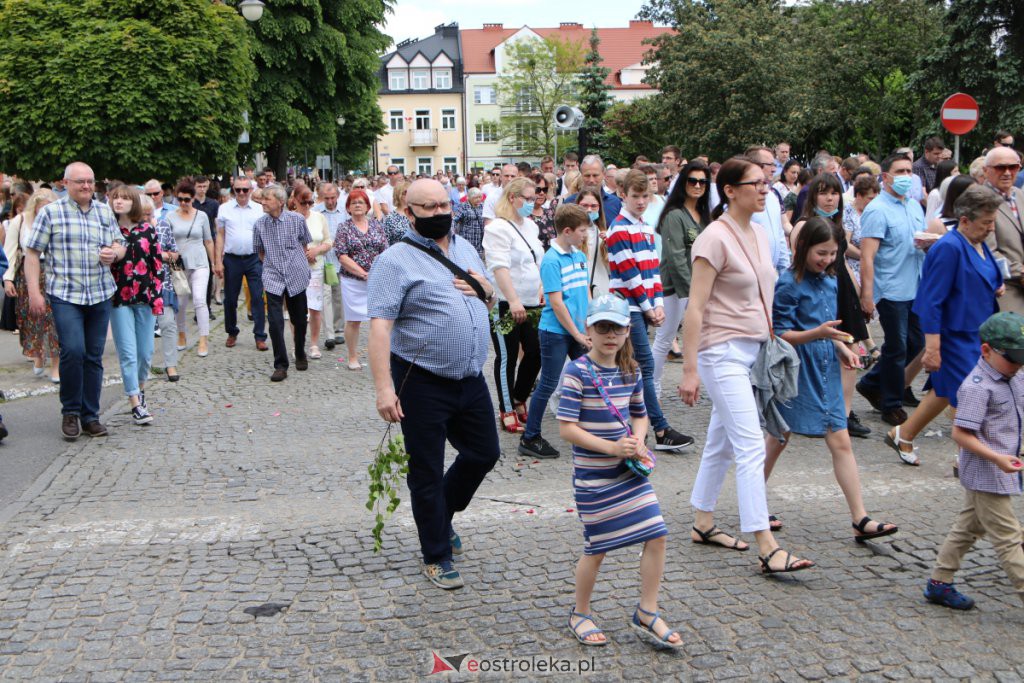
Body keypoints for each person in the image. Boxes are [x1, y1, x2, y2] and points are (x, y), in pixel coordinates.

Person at [678, 157, 814, 574]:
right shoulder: (712, 239)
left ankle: (702, 521)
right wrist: (689, 369)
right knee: (752, 444)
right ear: (731, 190)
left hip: (752, 351)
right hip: (720, 353)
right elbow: (695, 308)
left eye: (766, 182)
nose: (764, 189)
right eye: (756, 183)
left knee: (722, 442)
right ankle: (766, 544)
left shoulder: (758, 232)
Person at [367, 178, 500, 590]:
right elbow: (380, 328)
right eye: (428, 207)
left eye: (444, 203)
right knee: (425, 469)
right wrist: (384, 388)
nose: (439, 212)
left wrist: (489, 291)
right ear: (409, 212)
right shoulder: (394, 261)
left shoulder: (464, 248)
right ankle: (436, 554)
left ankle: (441, 516)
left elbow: (487, 297)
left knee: (484, 453)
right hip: (421, 379)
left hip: (469, 376)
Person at [763, 217, 898, 540]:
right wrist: (820, 335)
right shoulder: (788, 283)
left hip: (825, 367)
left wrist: (841, 348)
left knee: (840, 440)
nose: (826, 260)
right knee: (779, 438)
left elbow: (828, 330)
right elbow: (779, 332)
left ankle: (860, 517)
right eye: (820, 253)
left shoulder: (830, 280)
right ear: (803, 248)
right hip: (797, 370)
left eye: (832, 253)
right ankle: (753, 504)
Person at [558, 293, 681, 649]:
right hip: (593, 477)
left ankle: (647, 609)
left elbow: (640, 414)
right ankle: (580, 612)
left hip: (629, 472)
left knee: (656, 533)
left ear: (628, 331)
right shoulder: (576, 371)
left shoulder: (631, 370)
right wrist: (612, 447)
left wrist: (638, 440)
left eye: (617, 328)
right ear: (589, 331)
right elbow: (567, 429)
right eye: (603, 327)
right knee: (597, 547)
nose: (610, 335)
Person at [886, 185, 1005, 466]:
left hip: (977, 333)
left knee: (942, 392)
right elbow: (931, 300)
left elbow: (983, 275)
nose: (991, 228)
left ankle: (903, 434)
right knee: (973, 397)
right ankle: (971, 456)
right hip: (955, 338)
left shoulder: (978, 242)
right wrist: (932, 348)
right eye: (986, 222)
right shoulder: (949, 248)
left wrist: (993, 287)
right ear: (965, 220)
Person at [923, 311, 1024, 611]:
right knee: (1008, 539)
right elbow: (961, 434)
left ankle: (939, 582)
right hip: (987, 472)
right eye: (1014, 358)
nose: (1019, 365)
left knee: (969, 526)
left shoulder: (1013, 374)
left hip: (1004, 468)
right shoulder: (977, 387)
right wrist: (997, 458)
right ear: (986, 350)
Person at [25, 162, 125, 440]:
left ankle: (90, 416)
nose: (86, 186)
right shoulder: (51, 213)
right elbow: (32, 253)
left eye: (90, 181)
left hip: (100, 292)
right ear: (66, 183)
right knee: (73, 350)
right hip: (66, 295)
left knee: (94, 355)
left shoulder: (105, 211)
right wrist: (34, 292)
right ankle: (70, 412)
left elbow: (120, 244)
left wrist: (115, 254)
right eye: (80, 181)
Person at [608, 170, 693, 451]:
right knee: (642, 365)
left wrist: (657, 303)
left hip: (643, 304)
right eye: (636, 196)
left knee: (633, 367)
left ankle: (642, 425)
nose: (641, 202)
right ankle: (658, 427)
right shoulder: (618, 229)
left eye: (645, 196)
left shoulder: (645, 227)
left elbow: (652, 270)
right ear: (624, 195)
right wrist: (648, 307)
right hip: (627, 306)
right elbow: (630, 274)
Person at [791, 174, 872, 438]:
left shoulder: (836, 224)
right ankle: (820, 412)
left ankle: (844, 414)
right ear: (813, 196)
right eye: (824, 193)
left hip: (842, 291)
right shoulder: (804, 226)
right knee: (820, 352)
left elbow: (843, 263)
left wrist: (860, 292)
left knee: (851, 349)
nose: (829, 198)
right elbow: (798, 266)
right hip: (818, 293)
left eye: (834, 193)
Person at [856, 153, 927, 426]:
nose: (906, 176)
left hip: (915, 285)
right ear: (885, 177)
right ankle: (891, 403)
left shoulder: (914, 206)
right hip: (891, 289)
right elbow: (867, 256)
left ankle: (872, 382)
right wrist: (867, 295)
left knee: (916, 344)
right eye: (900, 171)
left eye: (909, 171)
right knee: (897, 347)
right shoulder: (877, 210)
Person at [519, 204, 592, 459]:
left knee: (590, 378)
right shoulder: (551, 260)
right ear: (568, 230)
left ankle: (591, 429)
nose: (586, 235)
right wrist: (576, 333)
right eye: (582, 231)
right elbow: (557, 303)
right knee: (548, 383)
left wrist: (587, 324)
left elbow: (585, 293)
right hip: (556, 332)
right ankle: (530, 437)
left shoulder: (579, 256)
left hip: (577, 331)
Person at [483, 177, 544, 433]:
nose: (531, 203)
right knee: (507, 356)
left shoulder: (531, 226)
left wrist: (542, 287)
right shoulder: (497, 227)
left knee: (537, 351)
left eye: (534, 199)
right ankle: (506, 407)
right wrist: (514, 299)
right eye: (527, 198)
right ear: (512, 198)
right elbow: (499, 267)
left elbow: (536, 261)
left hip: (532, 301)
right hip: (507, 303)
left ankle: (520, 397)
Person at [651, 161, 711, 399]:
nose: (698, 186)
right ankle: (651, 386)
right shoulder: (674, 215)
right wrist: (690, 295)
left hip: (699, 285)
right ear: (683, 183)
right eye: (692, 181)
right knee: (665, 338)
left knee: (701, 338)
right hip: (674, 287)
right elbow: (676, 257)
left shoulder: (704, 214)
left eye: (703, 182)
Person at [108, 185, 163, 425]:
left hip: (144, 296)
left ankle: (140, 390)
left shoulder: (147, 230)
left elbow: (157, 265)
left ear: (134, 203)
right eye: (115, 198)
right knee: (128, 353)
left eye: (124, 198)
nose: (118, 202)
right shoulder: (108, 228)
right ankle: (135, 403)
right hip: (118, 298)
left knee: (145, 353)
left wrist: (157, 296)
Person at [252, 185, 311, 382]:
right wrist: (272, 265)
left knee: (300, 319)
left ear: (280, 202)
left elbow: (304, 244)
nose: (263, 202)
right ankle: (280, 364)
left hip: (296, 274)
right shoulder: (259, 224)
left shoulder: (297, 220)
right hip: (273, 276)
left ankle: (300, 352)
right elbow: (260, 252)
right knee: (275, 323)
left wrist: (295, 263)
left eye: (267, 199)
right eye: (262, 198)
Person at [3, 189, 60, 383]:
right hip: (27, 273)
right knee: (32, 319)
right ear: (35, 206)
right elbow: (9, 251)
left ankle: (55, 366)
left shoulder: (57, 220)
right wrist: (7, 279)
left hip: (53, 272)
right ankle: (37, 355)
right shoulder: (19, 221)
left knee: (54, 321)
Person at [333, 189, 388, 370]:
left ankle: (380, 357)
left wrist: (375, 273)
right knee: (354, 320)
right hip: (353, 281)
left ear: (367, 207)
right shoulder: (344, 228)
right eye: (353, 202)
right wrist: (363, 273)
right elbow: (341, 255)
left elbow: (384, 251)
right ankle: (352, 356)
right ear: (348, 207)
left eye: (361, 202)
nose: (357, 205)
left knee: (379, 320)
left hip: (377, 279)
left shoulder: (376, 225)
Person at [215, 177, 267, 352]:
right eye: (238, 190)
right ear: (233, 190)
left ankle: (260, 335)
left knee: (257, 297)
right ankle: (232, 331)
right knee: (230, 298)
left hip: (254, 258)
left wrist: (265, 258)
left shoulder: (259, 209)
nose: (242, 193)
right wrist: (217, 261)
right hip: (232, 258)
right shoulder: (224, 209)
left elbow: (265, 235)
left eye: (245, 189)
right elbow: (220, 236)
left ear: (251, 190)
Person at [168, 179, 214, 358]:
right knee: (180, 302)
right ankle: (181, 334)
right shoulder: (171, 216)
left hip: (200, 262)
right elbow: (166, 241)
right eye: (179, 199)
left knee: (199, 300)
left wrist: (216, 263)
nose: (183, 203)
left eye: (186, 199)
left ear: (193, 198)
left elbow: (208, 240)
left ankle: (203, 338)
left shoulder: (201, 216)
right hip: (179, 265)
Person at [289, 185, 332, 359]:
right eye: (303, 202)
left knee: (315, 308)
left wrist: (317, 250)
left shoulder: (319, 217)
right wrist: (303, 254)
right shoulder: (289, 218)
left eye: (310, 202)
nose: (307, 206)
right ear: (295, 201)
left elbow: (329, 241)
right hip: (294, 269)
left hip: (316, 268)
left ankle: (314, 343)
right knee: (296, 309)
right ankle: (297, 343)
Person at [984, 146, 1024, 316]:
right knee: (1014, 339)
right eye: (1001, 167)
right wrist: (1021, 272)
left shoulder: (1019, 194)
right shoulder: (980, 199)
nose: (1007, 172)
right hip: (1005, 288)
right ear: (986, 171)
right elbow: (987, 252)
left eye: (1013, 167)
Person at [145, 196, 181, 382]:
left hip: (163, 283)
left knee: (167, 324)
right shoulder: (129, 229)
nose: (147, 217)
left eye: (149, 213)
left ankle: (171, 364)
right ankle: (145, 365)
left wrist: (161, 254)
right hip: (140, 287)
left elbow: (175, 253)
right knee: (145, 328)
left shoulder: (163, 226)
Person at [576, 188, 610, 298]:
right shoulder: (570, 233)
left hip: (600, 289)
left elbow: (610, 268)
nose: (589, 210)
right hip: (579, 289)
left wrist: (610, 245)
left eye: (594, 206)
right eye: (584, 206)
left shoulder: (603, 232)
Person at [453, 187, 485, 259]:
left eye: (480, 197)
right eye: (476, 198)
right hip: (467, 237)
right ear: (470, 198)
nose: (478, 199)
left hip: (479, 239)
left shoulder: (482, 206)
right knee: (467, 259)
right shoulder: (464, 206)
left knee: (478, 260)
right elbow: (455, 220)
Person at [529, 173, 557, 250]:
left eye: (544, 190)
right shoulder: (523, 216)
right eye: (537, 190)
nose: (542, 193)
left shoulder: (550, 213)